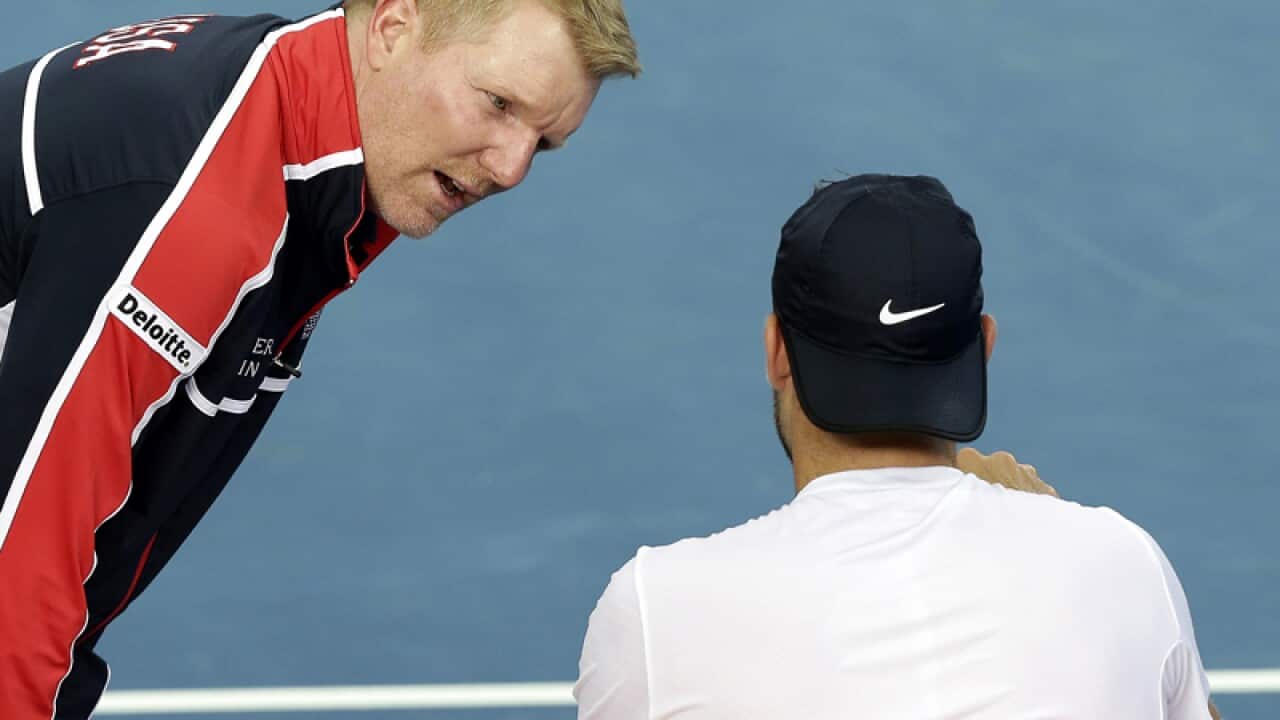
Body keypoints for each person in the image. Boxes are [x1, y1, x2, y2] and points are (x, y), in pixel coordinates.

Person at [0, 1, 638, 716]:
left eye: (543, 142)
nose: (513, 167)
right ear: (393, 27)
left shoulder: (296, 137)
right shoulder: (197, 203)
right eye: (498, 104)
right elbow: (16, 575)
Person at [575, 174, 1217, 719]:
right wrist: (1058, 534)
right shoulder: (1123, 565)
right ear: (984, 347)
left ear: (777, 352)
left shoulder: (654, 608)